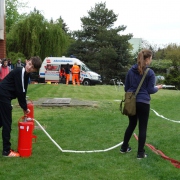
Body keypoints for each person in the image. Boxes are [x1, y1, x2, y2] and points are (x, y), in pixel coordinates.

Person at [120, 49, 162, 159]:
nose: (151, 60)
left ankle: (124, 148)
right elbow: (150, 90)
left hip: (132, 102)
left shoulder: (130, 71)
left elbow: (126, 88)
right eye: (151, 58)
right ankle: (140, 153)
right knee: (142, 128)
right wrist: (157, 88)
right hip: (143, 102)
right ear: (147, 59)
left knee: (131, 124)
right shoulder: (150, 73)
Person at [0, 56, 42, 157]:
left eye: (32, 67)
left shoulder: (26, 75)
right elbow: (20, 92)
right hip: (2, 95)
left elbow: (24, 90)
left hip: (3, 96)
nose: (29, 67)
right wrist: (25, 108)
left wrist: (24, 106)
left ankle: (6, 150)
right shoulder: (20, 71)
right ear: (27, 62)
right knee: (7, 123)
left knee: (1, 121)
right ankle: (6, 151)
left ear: (35, 70)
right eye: (29, 64)